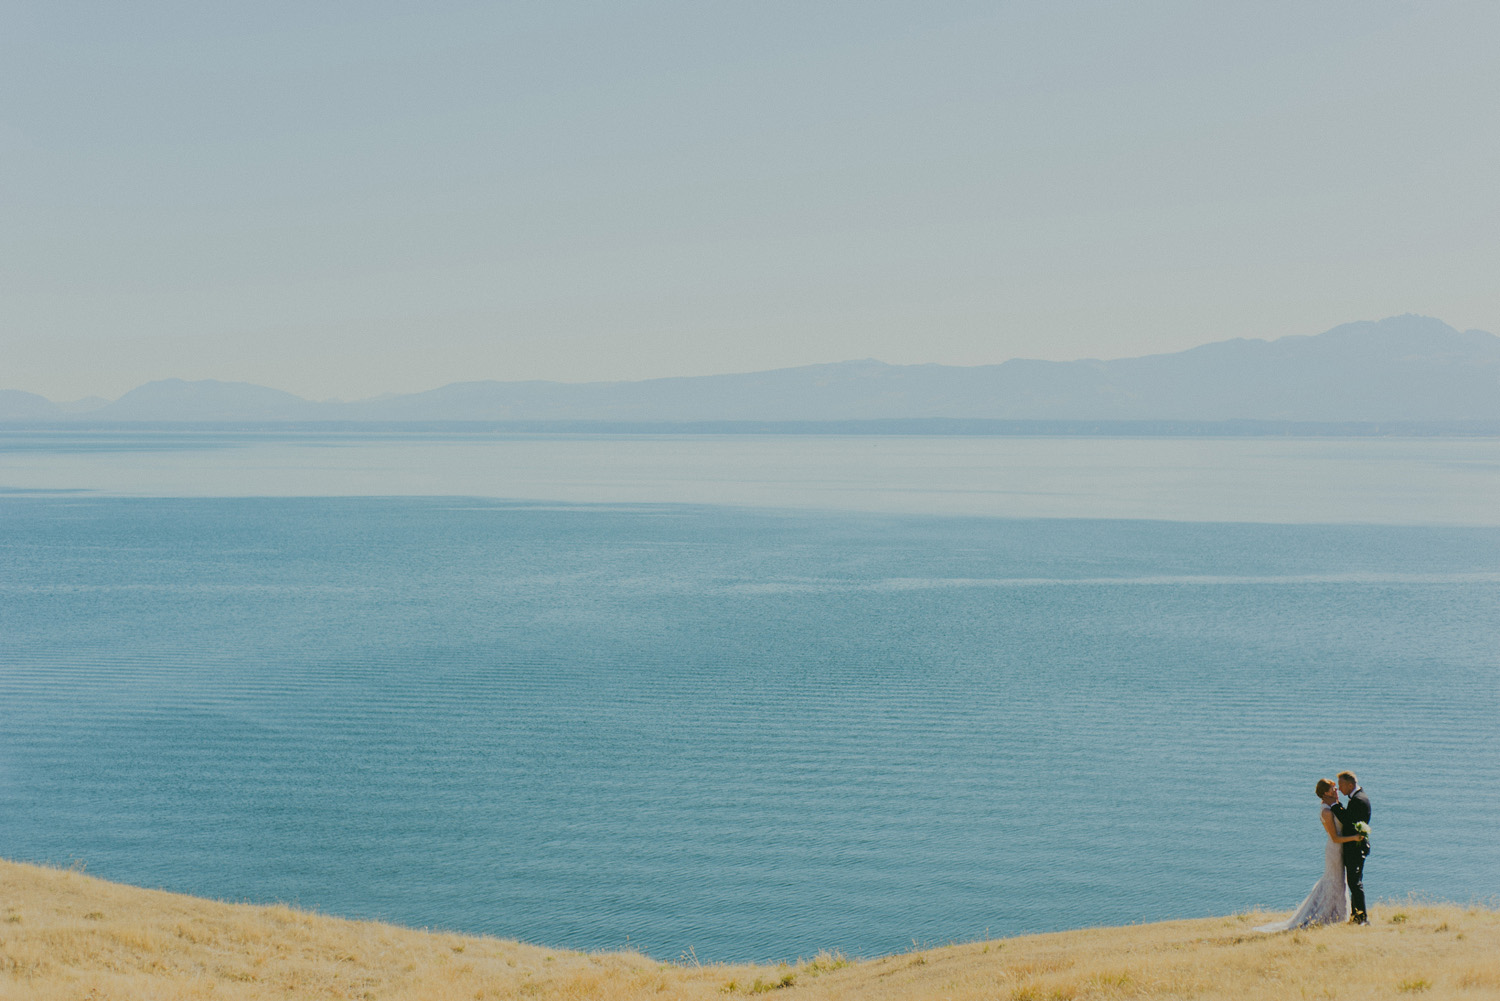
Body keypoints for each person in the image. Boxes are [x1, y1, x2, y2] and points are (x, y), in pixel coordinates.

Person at [1254, 778, 1365, 932]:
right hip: (1335, 850)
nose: (1337, 790)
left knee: (1339, 882)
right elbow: (1335, 837)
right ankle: (1328, 914)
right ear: (1326, 792)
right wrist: (1354, 838)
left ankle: (1339, 914)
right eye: (1333, 789)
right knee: (1334, 882)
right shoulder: (1326, 811)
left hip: (1340, 850)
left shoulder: (1334, 806)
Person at [1331, 770, 1372, 924]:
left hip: (1356, 847)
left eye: (1341, 785)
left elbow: (1348, 821)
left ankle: (1362, 918)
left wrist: (1334, 805)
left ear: (1350, 784)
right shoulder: (1358, 798)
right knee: (1354, 882)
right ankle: (1357, 916)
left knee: (1355, 883)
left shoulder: (1358, 800)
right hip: (1356, 846)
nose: (1339, 789)